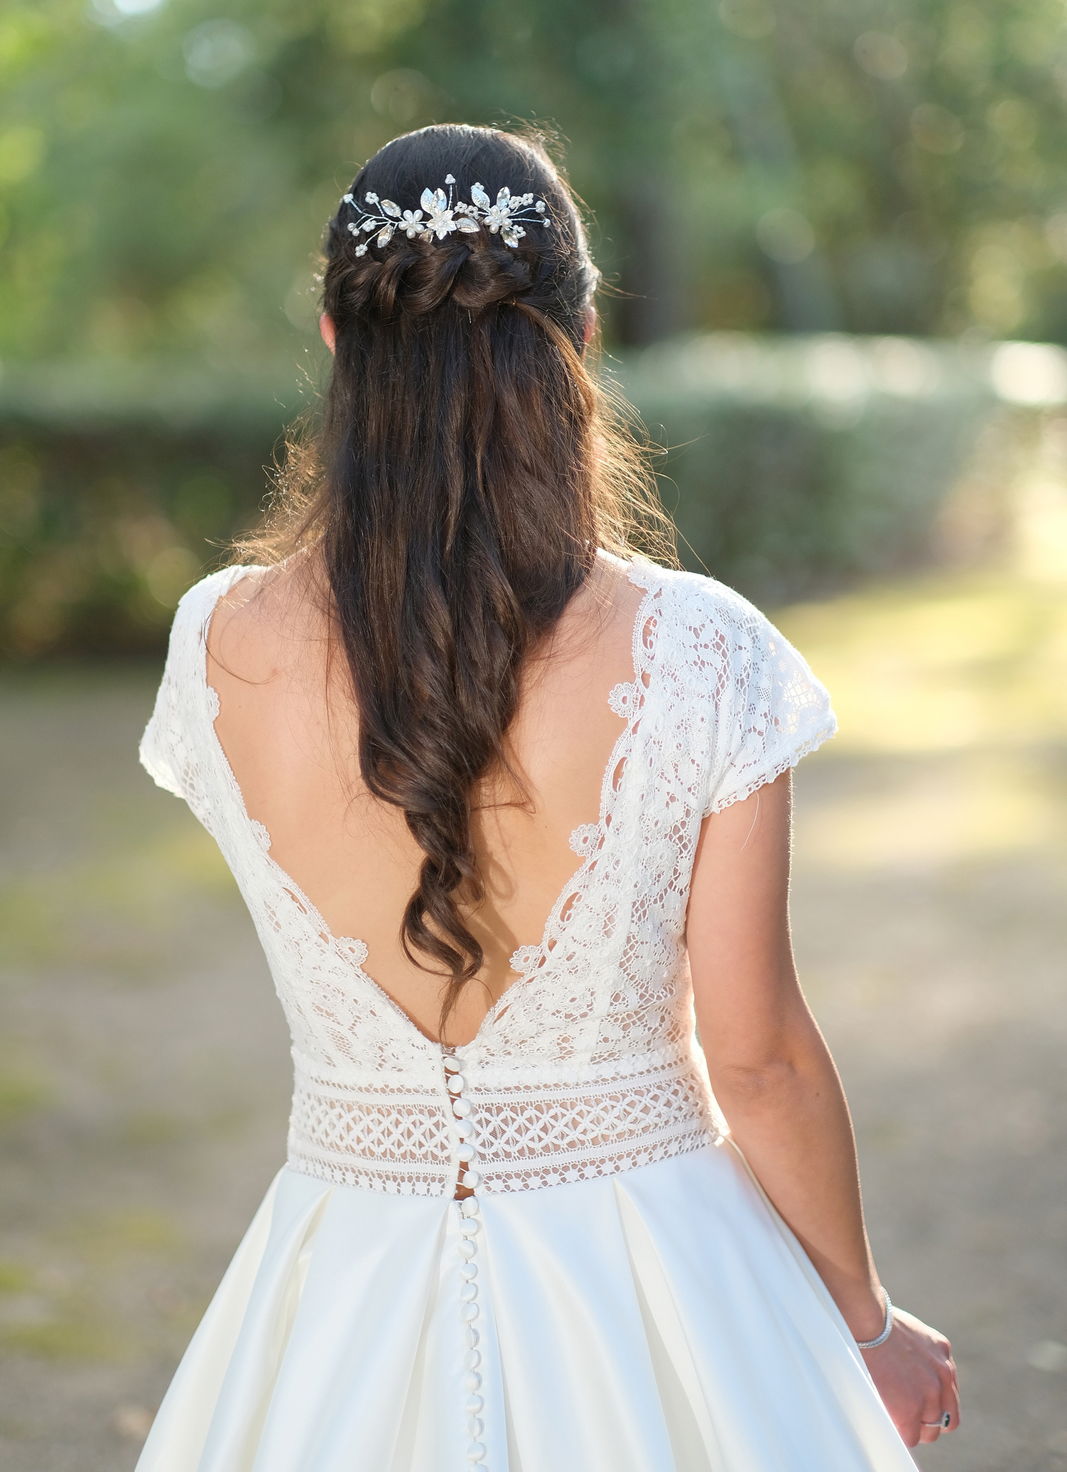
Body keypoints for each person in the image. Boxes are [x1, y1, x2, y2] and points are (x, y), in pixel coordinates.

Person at [133, 121, 959, 1470]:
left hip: (339, 1291)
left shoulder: (215, 644)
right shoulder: (701, 648)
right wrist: (861, 1327)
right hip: (657, 1290)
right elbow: (757, 1054)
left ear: (339, 345)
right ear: (579, 335)